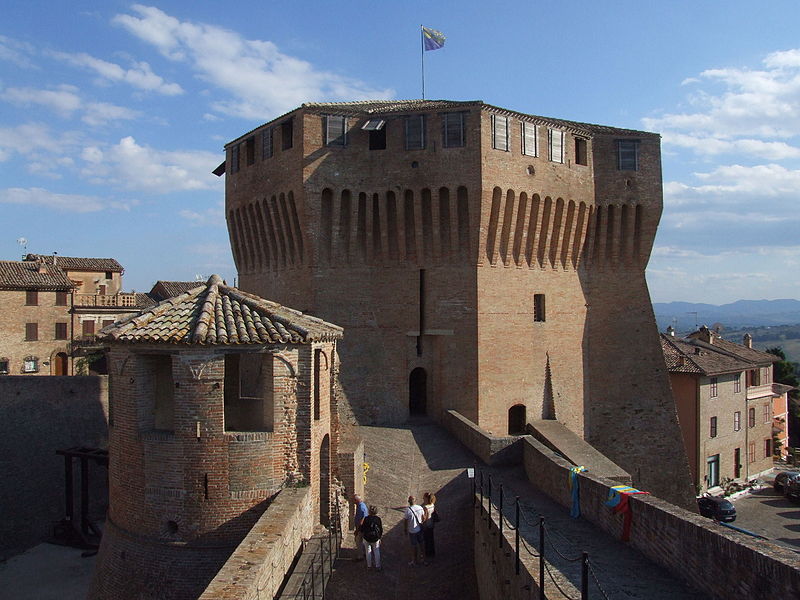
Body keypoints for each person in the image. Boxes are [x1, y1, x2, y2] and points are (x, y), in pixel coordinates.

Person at [404, 495, 426, 566]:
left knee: (414, 546)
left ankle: (414, 560)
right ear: (415, 500)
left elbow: (405, 521)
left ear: (409, 501)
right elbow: (424, 517)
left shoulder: (408, 510)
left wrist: (405, 529)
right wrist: (422, 522)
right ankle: (424, 559)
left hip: (412, 531)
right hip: (419, 529)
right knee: (422, 544)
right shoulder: (420, 508)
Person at [360, 505, 383, 571]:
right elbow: (380, 529)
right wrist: (379, 537)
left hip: (367, 537)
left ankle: (369, 566)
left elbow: (362, 528)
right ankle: (378, 566)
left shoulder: (366, 519)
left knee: (368, 551)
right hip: (375, 537)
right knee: (376, 551)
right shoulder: (378, 519)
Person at [422, 492, 437, 558]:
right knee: (431, 538)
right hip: (431, 524)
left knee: (426, 539)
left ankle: (427, 553)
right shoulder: (432, 505)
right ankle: (432, 552)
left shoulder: (425, 507)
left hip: (427, 525)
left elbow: (425, 517)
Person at [353, 493, 368, 560]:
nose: (353, 501)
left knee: (359, 541)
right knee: (360, 541)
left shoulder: (361, 507)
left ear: (357, 500)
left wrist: (357, 530)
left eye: (354, 500)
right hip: (361, 527)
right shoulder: (360, 506)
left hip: (361, 528)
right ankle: (364, 553)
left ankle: (360, 556)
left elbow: (362, 519)